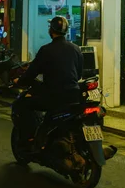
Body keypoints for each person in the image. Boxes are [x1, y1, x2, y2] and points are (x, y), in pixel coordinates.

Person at [14, 16, 83, 151]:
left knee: (23, 104)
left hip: (53, 97)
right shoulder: (76, 49)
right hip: (74, 96)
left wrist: (19, 81)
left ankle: (29, 139)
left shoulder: (46, 50)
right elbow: (79, 74)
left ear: (51, 30)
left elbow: (31, 73)